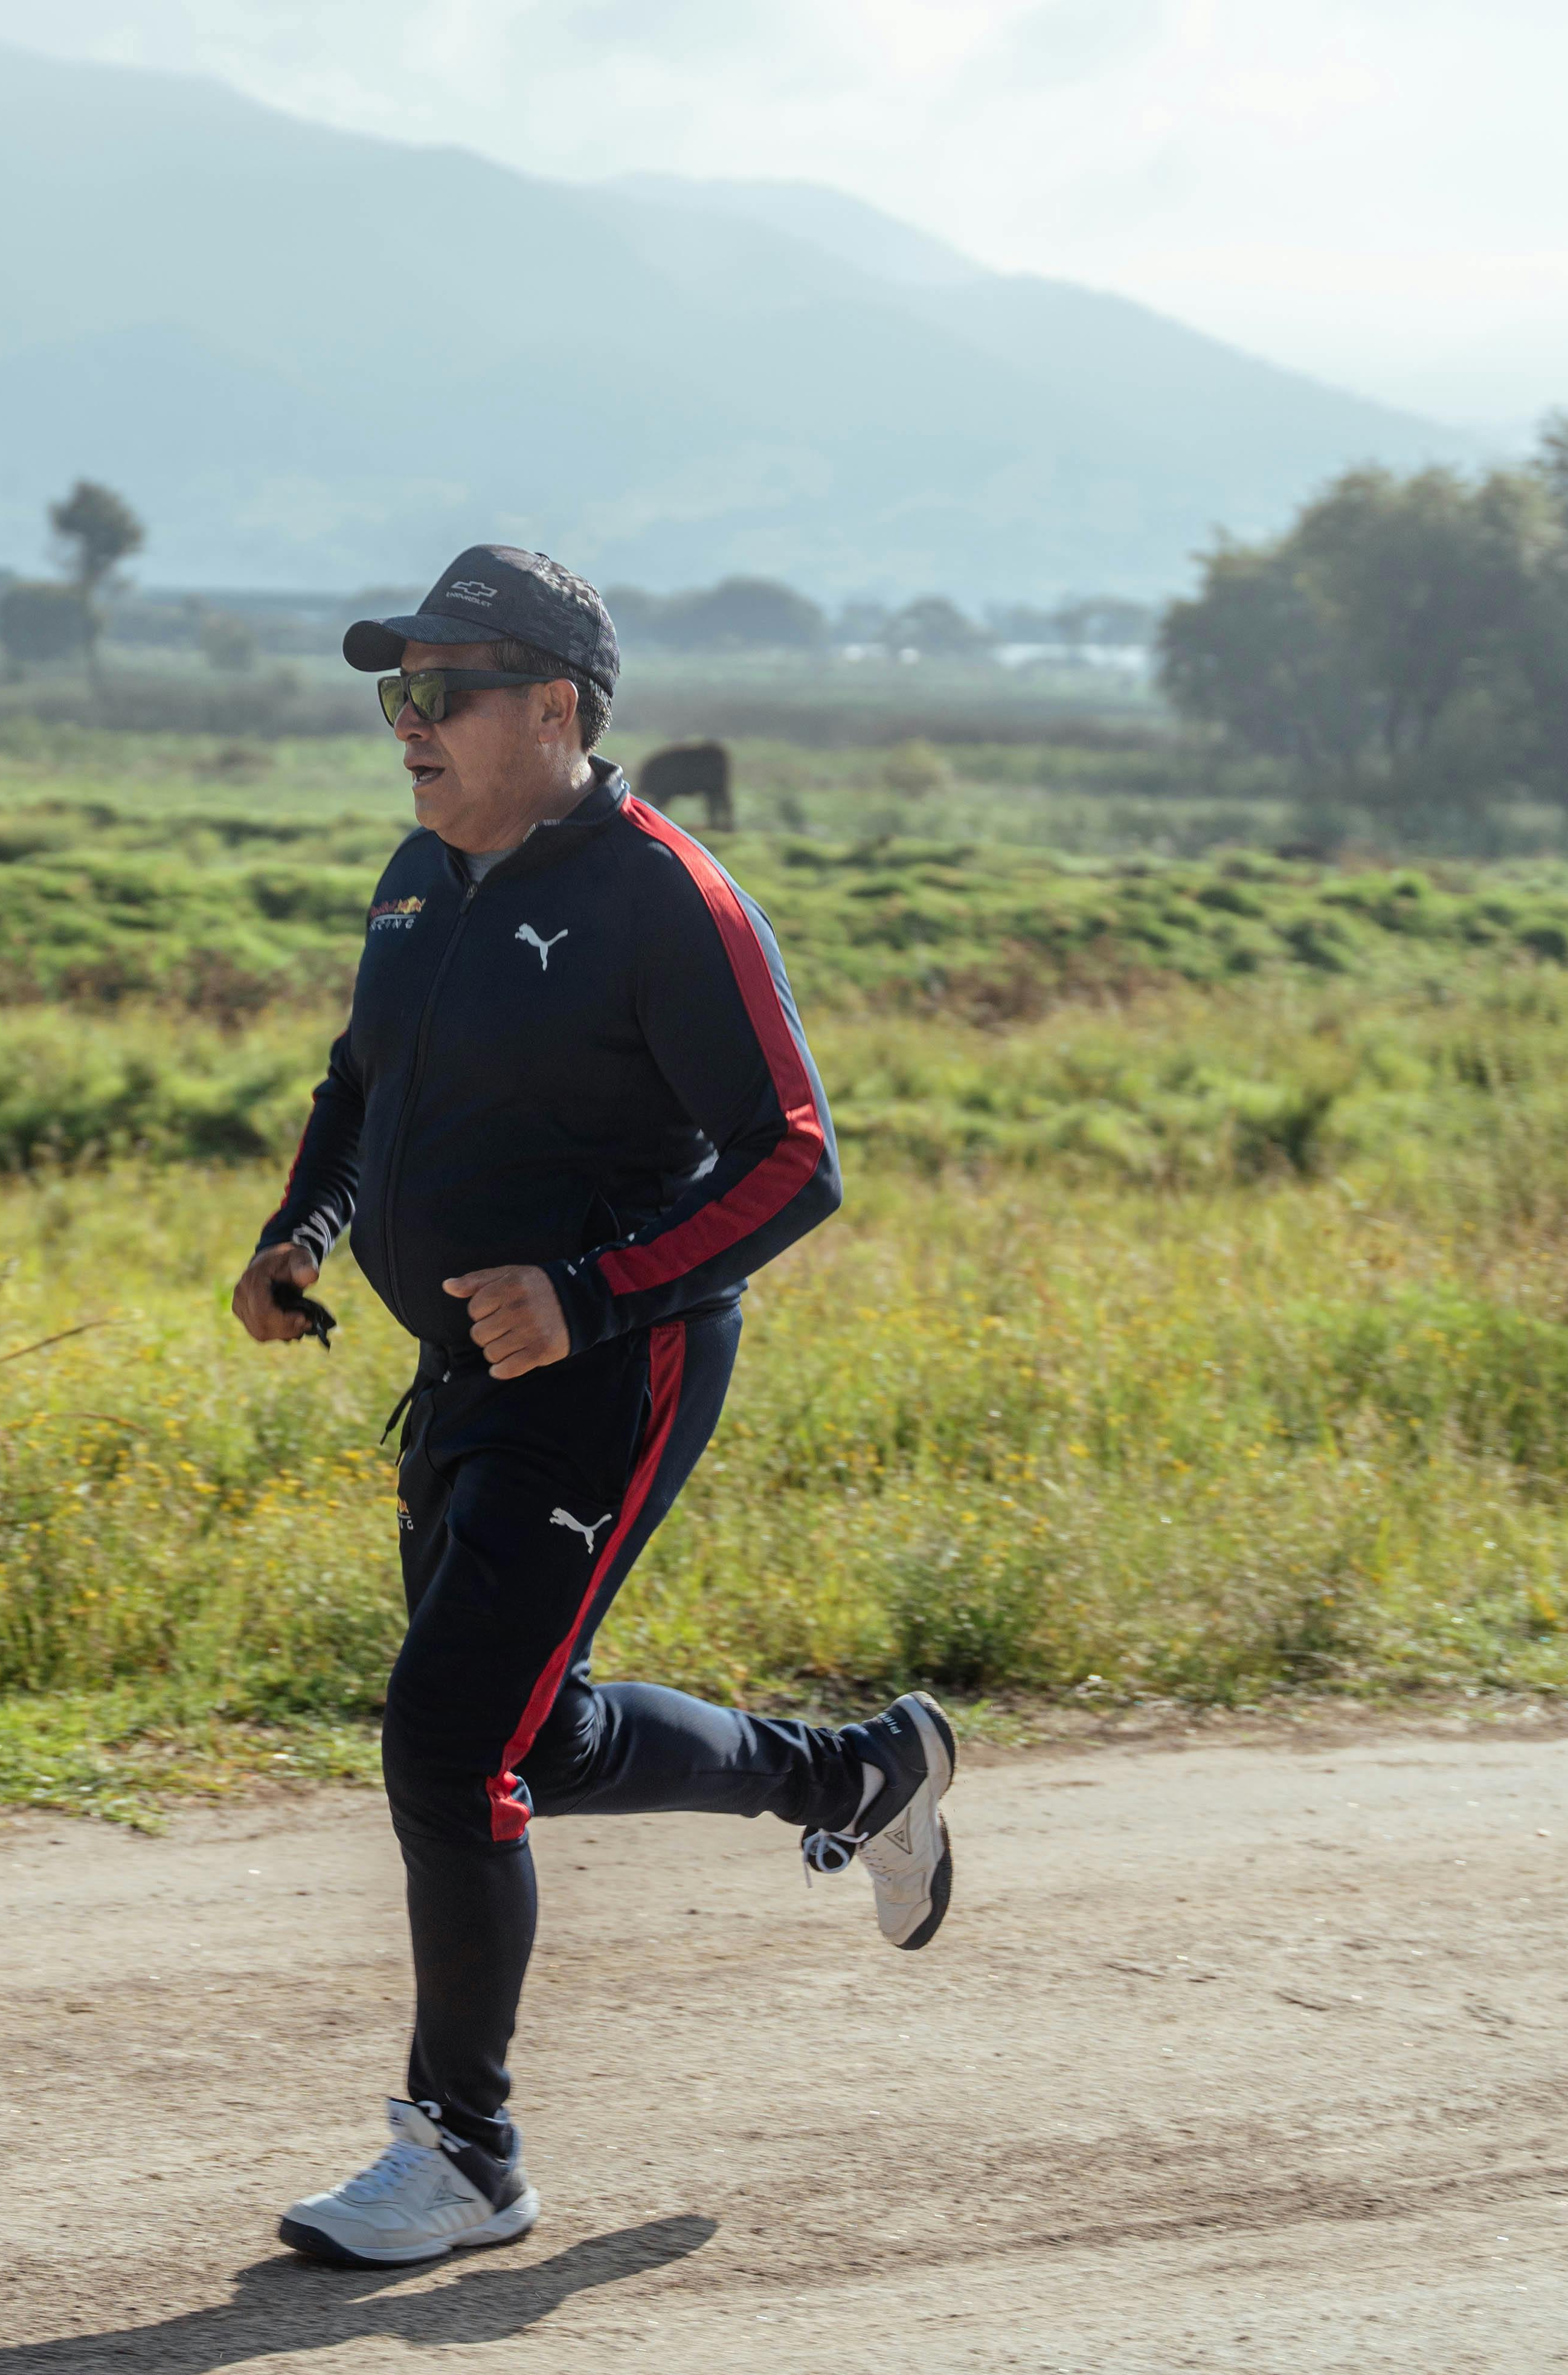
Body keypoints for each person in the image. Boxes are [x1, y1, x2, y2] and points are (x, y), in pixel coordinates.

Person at [230, 544, 959, 2270]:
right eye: (395, 693)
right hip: (462, 1370)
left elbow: (798, 1160)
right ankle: (856, 1774)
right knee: (527, 1740)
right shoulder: (420, 876)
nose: (407, 724)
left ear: (555, 707)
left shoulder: (663, 898)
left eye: (442, 692)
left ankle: (463, 2150)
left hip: (613, 1372)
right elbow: (359, 1083)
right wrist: (303, 1228)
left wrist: (594, 1292)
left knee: (445, 1738)